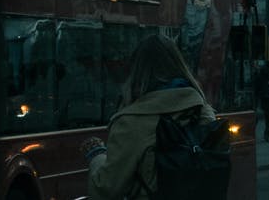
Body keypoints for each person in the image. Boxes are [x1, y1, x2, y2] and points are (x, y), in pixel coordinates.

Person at [80, 35, 219, 199]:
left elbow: (105, 190)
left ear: (136, 71)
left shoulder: (131, 122)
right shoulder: (203, 112)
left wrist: (97, 155)